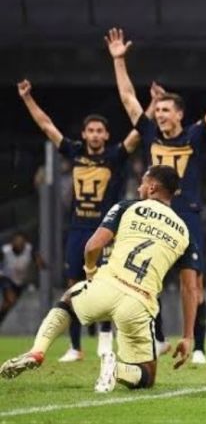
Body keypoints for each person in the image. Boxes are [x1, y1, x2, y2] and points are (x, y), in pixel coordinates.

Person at [106, 27, 206, 364]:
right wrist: (119, 61)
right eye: (158, 111)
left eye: (166, 111)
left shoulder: (194, 136)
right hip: (151, 216)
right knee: (145, 281)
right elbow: (128, 98)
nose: (160, 115)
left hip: (187, 215)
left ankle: (198, 346)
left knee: (193, 285)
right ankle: (156, 338)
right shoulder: (147, 133)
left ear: (179, 114)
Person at [0, 165, 199, 392]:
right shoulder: (185, 232)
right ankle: (116, 370)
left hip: (107, 285)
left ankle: (37, 350)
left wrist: (91, 271)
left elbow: (93, 246)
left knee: (67, 302)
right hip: (139, 303)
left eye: (142, 183)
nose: (140, 187)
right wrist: (188, 336)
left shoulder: (127, 207)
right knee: (147, 376)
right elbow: (190, 288)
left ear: (152, 187)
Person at [17, 79, 142, 362]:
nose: (95, 135)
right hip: (78, 228)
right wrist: (27, 99)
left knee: (108, 284)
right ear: (84, 134)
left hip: (106, 230)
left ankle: (105, 342)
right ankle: (75, 346)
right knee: (74, 284)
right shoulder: (74, 152)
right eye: (91, 131)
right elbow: (47, 126)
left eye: (100, 131)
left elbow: (139, 131)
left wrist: (154, 104)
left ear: (107, 135)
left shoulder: (115, 156)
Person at [0, 232, 46, 327]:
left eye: (22, 243)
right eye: (17, 242)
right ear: (13, 242)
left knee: (8, 304)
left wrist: (40, 263)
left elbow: (39, 262)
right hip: (6, 278)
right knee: (11, 299)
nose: (20, 245)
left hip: (20, 282)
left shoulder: (30, 249)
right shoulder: (5, 251)